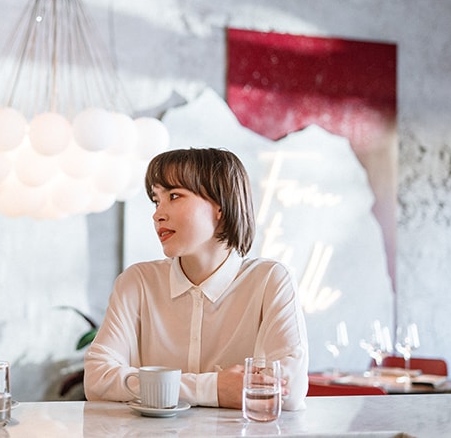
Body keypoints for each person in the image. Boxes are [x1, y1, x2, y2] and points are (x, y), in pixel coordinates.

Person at [84, 147, 309, 410]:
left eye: (174, 196)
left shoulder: (270, 279)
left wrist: (150, 386)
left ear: (220, 206)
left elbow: (288, 391)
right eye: (157, 200)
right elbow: (97, 379)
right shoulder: (138, 282)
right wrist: (214, 388)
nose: (158, 214)